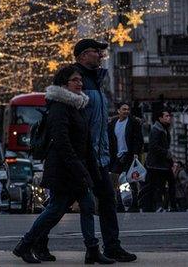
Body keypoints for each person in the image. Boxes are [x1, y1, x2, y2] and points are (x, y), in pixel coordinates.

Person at [13, 65, 112, 265]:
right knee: (55, 210)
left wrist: (92, 170)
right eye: (75, 80)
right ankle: (25, 244)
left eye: (80, 80)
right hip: (64, 170)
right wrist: (80, 169)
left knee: (87, 205)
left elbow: (84, 144)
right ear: (64, 84)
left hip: (77, 168)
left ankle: (92, 249)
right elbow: (62, 143)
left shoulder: (77, 106)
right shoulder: (60, 107)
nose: (80, 84)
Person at [74, 38, 137, 262]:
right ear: (82, 55)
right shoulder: (76, 80)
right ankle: (32, 242)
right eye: (95, 52)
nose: (100, 56)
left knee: (108, 199)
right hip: (83, 155)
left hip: (98, 155)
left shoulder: (96, 80)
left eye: (101, 52)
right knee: (60, 204)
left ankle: (112, 246)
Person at [108, 102, 144, 212]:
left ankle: (134, 205)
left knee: (132, 180)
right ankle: (119, 204)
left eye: (128, 109)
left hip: (129, 156)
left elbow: (138, 139)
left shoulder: (134, 123)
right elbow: (110, 140)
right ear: (118, 110)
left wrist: (135, 153)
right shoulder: (113, 123)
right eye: (124, 109)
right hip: (116, 157)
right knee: (115, 180)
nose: (126, 111)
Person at [141, 111, 175, 212]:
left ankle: (169, 205)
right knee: (159, 185)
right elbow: (154, 147)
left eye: (169, 116)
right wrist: (167, 153)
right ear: (160, 118)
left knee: (166, 184)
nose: (169, 118)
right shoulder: (157, 130)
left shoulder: (164, 129)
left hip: (162, 164)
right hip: (157, 164)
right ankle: (160, 206)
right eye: (166, 116)